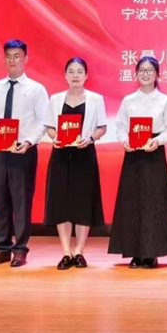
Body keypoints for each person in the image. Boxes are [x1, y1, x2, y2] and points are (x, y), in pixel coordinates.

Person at [108, 56, 167, 269]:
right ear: (136, 74)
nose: (146, 74)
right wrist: (124, 141)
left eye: (150, 70)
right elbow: (120, 126)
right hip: (133, 155)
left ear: (157, 74)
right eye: (142, 70)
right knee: (132, 202)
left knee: (154, 203)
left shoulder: (164, 100)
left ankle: (151, 253)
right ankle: (135, 252)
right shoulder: (129, 100)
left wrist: (157, 141)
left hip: (154, 154)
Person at [0, 39, 49, 268]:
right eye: (9, 56)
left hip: (23, 150)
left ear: (25, 58)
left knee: (21, 201)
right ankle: (1, 249)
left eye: (17, 56)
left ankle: (20, 249)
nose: (13, 60)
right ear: (4, 59)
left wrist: (29, 142)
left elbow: (43, 121)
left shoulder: (36, 89)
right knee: (0, 200)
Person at [44, 57, 107, 270]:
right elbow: (50, 127)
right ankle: (66, 252)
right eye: (71, 71)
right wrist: (55, 138)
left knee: (82, 201)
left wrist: (90, 138)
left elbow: (102, 127)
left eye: (80, 71)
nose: (75, 75)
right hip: (61, 155)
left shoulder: (96, 99)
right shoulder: (55, 99)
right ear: (65, 75)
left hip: (84, 154)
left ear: (86, 75)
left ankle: (79, 251)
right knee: (61, 201)